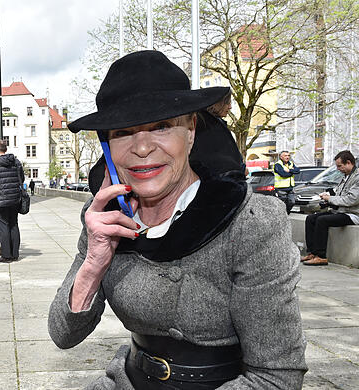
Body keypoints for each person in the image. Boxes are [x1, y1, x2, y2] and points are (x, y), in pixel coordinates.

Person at [48, 51, 306, 389]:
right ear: (108, 145)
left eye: (161, 126)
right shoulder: (104, 216)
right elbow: (63, 334)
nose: (142, 147)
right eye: (123, 132)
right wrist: (95, 260)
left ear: (191, 131)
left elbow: (276, 378)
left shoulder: (250, 223)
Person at [302, 150, 359, 266]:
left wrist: (330, 199)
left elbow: (352, 200)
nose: (338, 169)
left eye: (340, 166)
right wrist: (328, 197)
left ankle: (321, 256)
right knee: (311, 218)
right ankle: (312, 252)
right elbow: (339, 195)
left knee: (322, 221)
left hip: (352, 214)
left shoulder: (357, 178)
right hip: (340, 211)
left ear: (349, 162)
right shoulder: (346, 177)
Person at [190, 90, 246, 180]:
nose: (230, 107)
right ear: (217, 103)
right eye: (227, 103)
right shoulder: (208, 126)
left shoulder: (212, 123)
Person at [0, 139, 24, 263]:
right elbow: (21, 178)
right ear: (6, 149)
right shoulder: (16, 162)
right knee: (13, 225)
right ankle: (15, 254)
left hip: (0, 201)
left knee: (3, 228)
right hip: (14, 199)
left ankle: (6, 255)